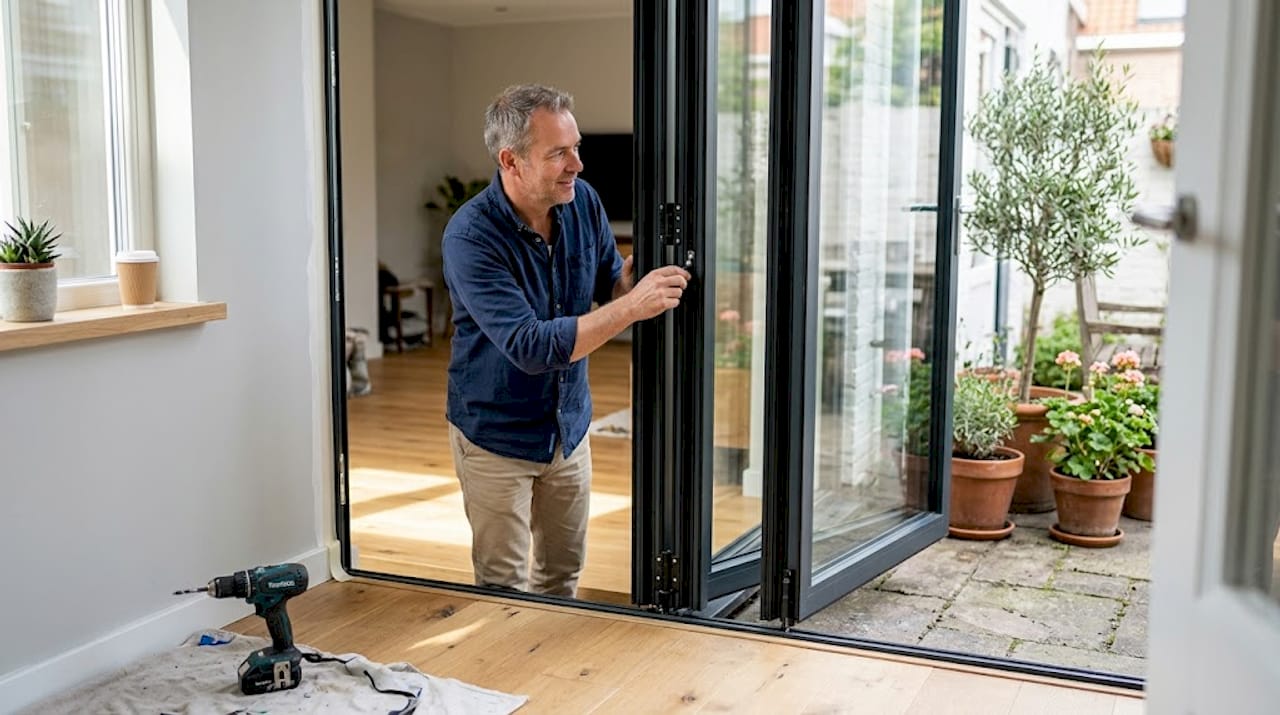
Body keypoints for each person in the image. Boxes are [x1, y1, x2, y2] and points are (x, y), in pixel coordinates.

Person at [442, 84, 690, 597]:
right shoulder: (470, 237)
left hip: (568, 429)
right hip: (495, 437)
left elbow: (607, 281)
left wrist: (630, 281)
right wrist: (632, 306)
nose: (576, 164)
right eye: (559, 153)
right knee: (503, 589)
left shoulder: (583, 202)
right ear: (510, 160)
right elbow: (531, 346)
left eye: (576, 147)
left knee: (561, 578)